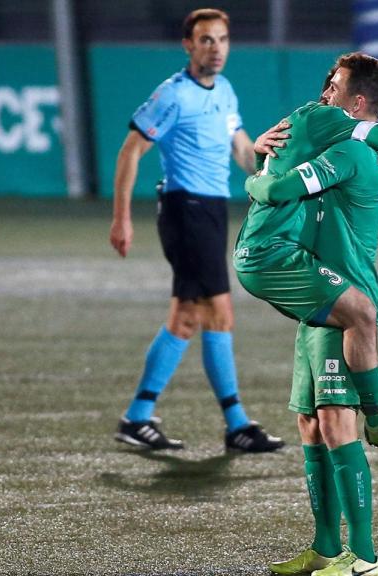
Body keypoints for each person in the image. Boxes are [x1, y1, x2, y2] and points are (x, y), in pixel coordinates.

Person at [237, 53, 378, 576]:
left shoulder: (354, 148)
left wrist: (258, 175)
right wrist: (258, 152)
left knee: (338, 422)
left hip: (344, 291)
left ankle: (363, 559)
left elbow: (281, 184)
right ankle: (325, 547)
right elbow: (372, 145)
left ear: (356, 102)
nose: (324, 91)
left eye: (334, 85)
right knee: (310, 423)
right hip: (319, 289)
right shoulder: (349, 144)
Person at [108, 8, 283, 452]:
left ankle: (139, 416)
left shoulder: (224, 90)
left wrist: (270, 168)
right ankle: (237, 425)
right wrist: (121, 216)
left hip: (210, 211)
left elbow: (241, 150)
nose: (216, 48)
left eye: (222, 39)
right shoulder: (173, 95)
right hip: (185, 210)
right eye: (206, 40)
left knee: (187, 318)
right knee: (218, 313)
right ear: (188, 46)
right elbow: (130, 151)